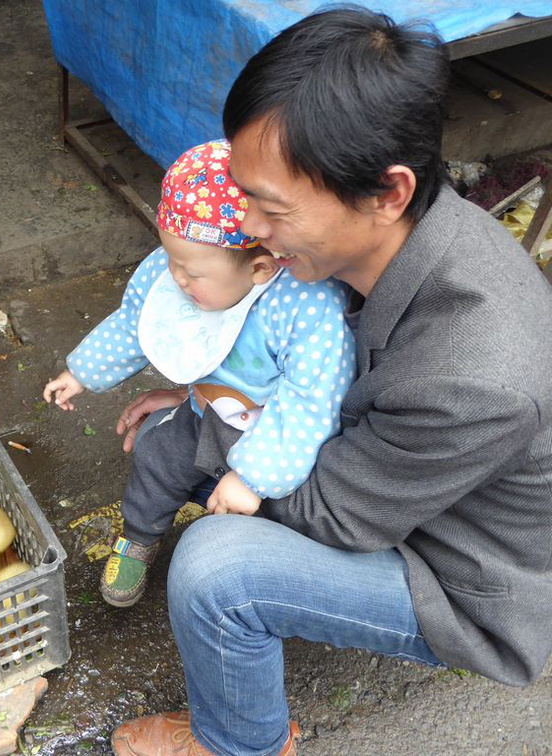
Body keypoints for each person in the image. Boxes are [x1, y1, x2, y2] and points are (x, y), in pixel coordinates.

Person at [110, 7, 552, 756]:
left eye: (270, 206)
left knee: (217, 570)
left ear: (386, 192)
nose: (245, 224)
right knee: (182, 439)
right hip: (397, 479)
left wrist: (215, 417)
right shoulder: (379, 244)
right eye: (243, 191)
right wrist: (200, 396)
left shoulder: (473, 373)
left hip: (459, 571)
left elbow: (335, 513)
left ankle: (239, 743)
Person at [43, 140, 355, 608]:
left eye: (191, 273)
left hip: (275, 435)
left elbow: (310, 404)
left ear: (260, 267)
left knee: (276, 507)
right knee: (155, 452)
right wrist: (81, 372)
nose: (177, 280)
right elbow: (137, 323)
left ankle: (271, 576)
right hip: (203, 412)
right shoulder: (180, 270)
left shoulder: (305, 307)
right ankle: (139, 536)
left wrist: (252, 477)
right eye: (171, 262)